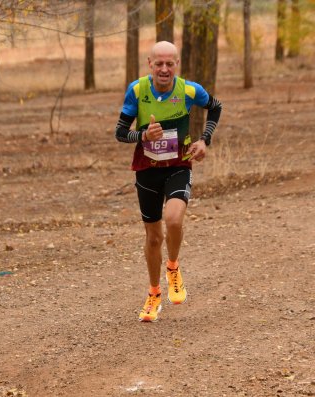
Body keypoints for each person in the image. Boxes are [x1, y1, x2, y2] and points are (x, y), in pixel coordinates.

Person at [115, 41, 222, 322]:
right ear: (149, 64)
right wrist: (143, 136)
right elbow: (119, 132)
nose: (164, 69)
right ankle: (153, 294)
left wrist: (204, 140)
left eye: (169, 63)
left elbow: (216, 107)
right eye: (158, 63)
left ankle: (173, 267)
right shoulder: (137, 90)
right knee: (153, 237)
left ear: (177, 65)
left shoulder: (189, 90)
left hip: (178, 166)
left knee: (173, 219)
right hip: (146, 170)